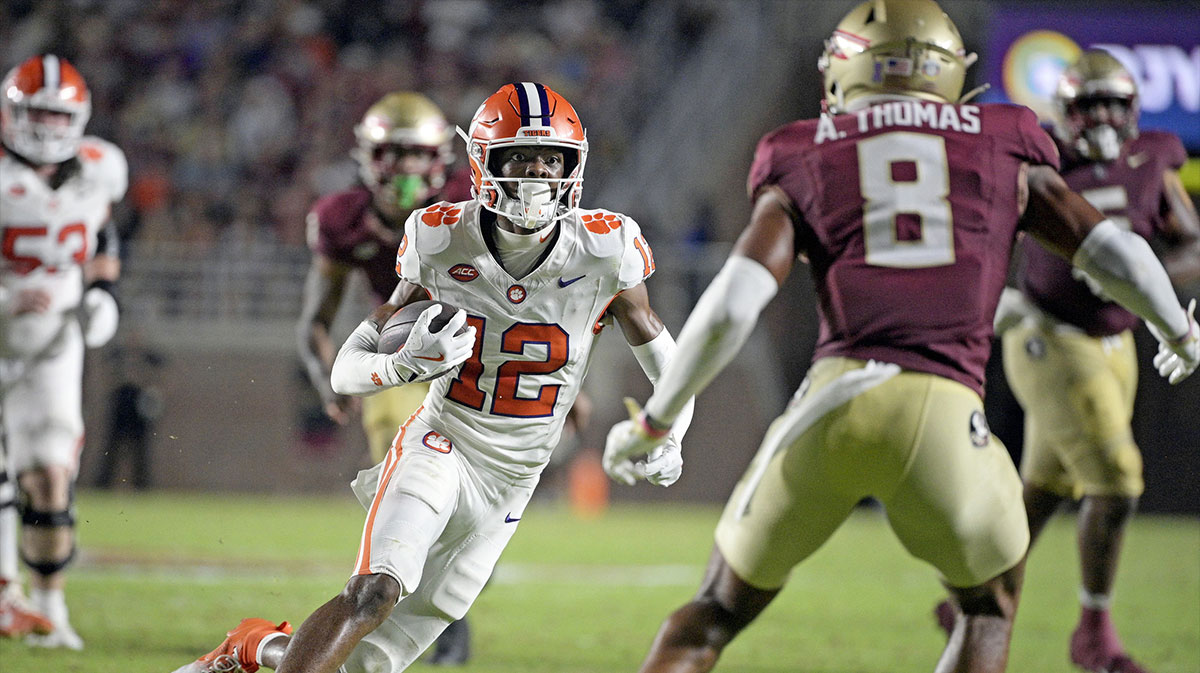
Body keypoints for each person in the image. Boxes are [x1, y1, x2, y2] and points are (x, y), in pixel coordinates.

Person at [601, 2, 1199, 672]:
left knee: (714, 611)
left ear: (846, 69)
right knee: (988, 606)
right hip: (948, 412)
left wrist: (656, 420)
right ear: (949, 71)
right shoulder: (1003, 139)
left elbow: (732, 305)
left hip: (834, 403)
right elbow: (1112, 250)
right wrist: (1177, 328)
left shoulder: (804, 148)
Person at [173, 81, 695, 673]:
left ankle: (250, 645)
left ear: (573, 167)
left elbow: (668, 359)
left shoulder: (604, 248)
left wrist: (671, 431)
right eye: (520, 157)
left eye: (551, 159)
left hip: (515, 478)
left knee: (371, 664)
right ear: (484, 163)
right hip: (443, 443)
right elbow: (347, 367)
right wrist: (402, 365)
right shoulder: (442, 238)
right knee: (374, 591)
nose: (536, 173)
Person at [933, 49, 1200, 673]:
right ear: (1065, 112)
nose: (1102, 117)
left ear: (1133, 109)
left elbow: (1191, 245)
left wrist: (1147, 276)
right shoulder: (1039, 159)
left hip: (1118, 341)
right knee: (1117, 479)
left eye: (1113, 103)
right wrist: (989, 294)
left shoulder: (1153, 158)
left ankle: (976, 597)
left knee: (1046, 489)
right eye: (1089, 105)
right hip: (1048, 334)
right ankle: (1094, 633)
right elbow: (977, 227)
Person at [295, 91, 474, 663]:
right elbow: (316, 319)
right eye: (392, 153)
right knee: (408, 481)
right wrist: (328, 379)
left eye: (415, 154)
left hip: (475, 358)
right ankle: (432, 605)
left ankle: (449, 602)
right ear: (369, 157)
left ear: (439, 158)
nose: (403, 168)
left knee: (469, 499)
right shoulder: (342, 218)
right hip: (399, 361)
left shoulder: (472, 202)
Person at [0, 54, 128, 650]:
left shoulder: (100, 168)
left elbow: (101, 232)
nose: (49, 127)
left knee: (50, 475)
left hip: (50, 341)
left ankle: (50, 611)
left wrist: (102, 291)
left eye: (59, 115)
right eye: (39, 113)